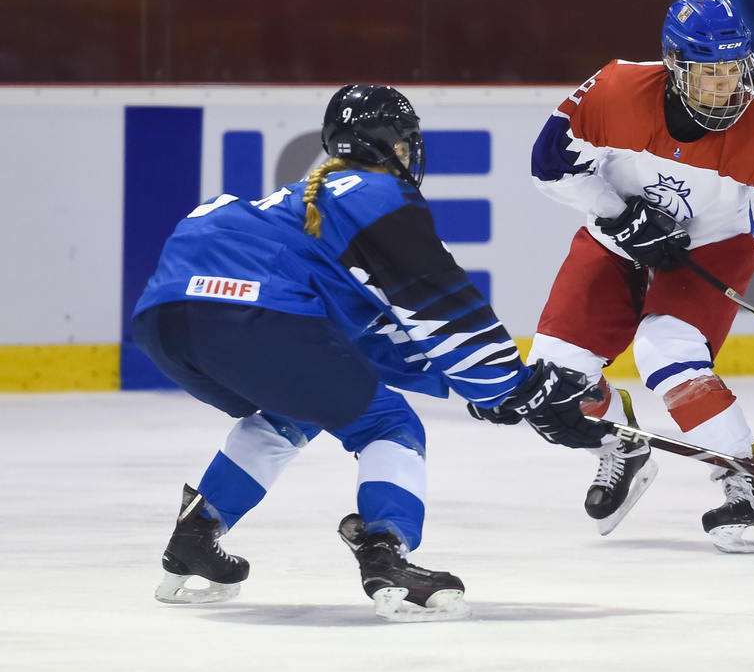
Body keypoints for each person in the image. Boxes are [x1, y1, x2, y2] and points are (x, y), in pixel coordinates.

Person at [132, 84, 608, 622]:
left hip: (164, 322)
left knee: (298, 405)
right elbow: (439, 304)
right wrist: (514, 387)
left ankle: (198, 531)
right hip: (251, 317)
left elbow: (360, 342)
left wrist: (486, 390)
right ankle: (387, 553)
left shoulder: (295, 210)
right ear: (400, 147)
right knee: (388, 424)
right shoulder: (375, 195)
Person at [521, 0, 754, 553]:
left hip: (709, 249)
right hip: (614, 242)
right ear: (676, 66)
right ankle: (620, 444)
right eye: (709, 71)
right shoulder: (617, 89)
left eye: (734, 68)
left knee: (664, 348)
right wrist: (620, 215)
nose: (726, 85)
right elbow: (551, 164)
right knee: (553, 383)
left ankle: (746, 487)